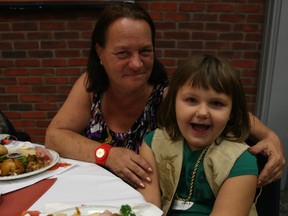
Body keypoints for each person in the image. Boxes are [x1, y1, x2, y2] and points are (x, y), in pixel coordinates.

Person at [45, 2, 284, 190]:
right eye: (123, 53)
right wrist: (107, 154)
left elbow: (225, 111)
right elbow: (54, 137)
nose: (137, 63)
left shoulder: (166, 96)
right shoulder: (90, 85)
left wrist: (270, 136)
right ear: (100, 52)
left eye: (145, 51)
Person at [138, 54, 259, 215]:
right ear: (173, 102)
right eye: (191, 100)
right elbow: (148, 208)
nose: (202, 113)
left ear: (231, 112)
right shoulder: (153, 144)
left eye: (216, 103)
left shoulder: (241, 161)